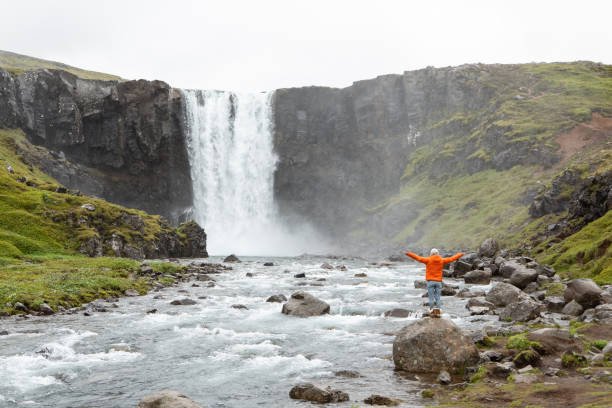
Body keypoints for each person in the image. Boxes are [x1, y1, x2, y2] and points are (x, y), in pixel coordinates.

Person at [405, 248, 464, 314]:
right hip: (438, 282)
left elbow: (418, 258)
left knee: (431, 297)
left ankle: (431, 309)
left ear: (431, 254)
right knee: (437, 297)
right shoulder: (442, 260)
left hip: (430, 282)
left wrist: (408, 253)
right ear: (437, 253)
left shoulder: (428, 260)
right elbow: (451, 259)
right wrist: (460, 254)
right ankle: (439, 309)